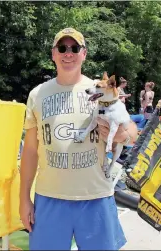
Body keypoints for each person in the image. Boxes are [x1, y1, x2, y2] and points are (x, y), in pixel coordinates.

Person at [19, 27, 138, 250]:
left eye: (75, 48)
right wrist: (24, 198)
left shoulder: (100, 90)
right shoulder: (37, 94)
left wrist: (122, 135)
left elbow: (131, 130)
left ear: (84, 53)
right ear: (53, 53)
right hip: (49, 197)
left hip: (96, 197)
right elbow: (30, 151)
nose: (68, 53)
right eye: (62, 48)